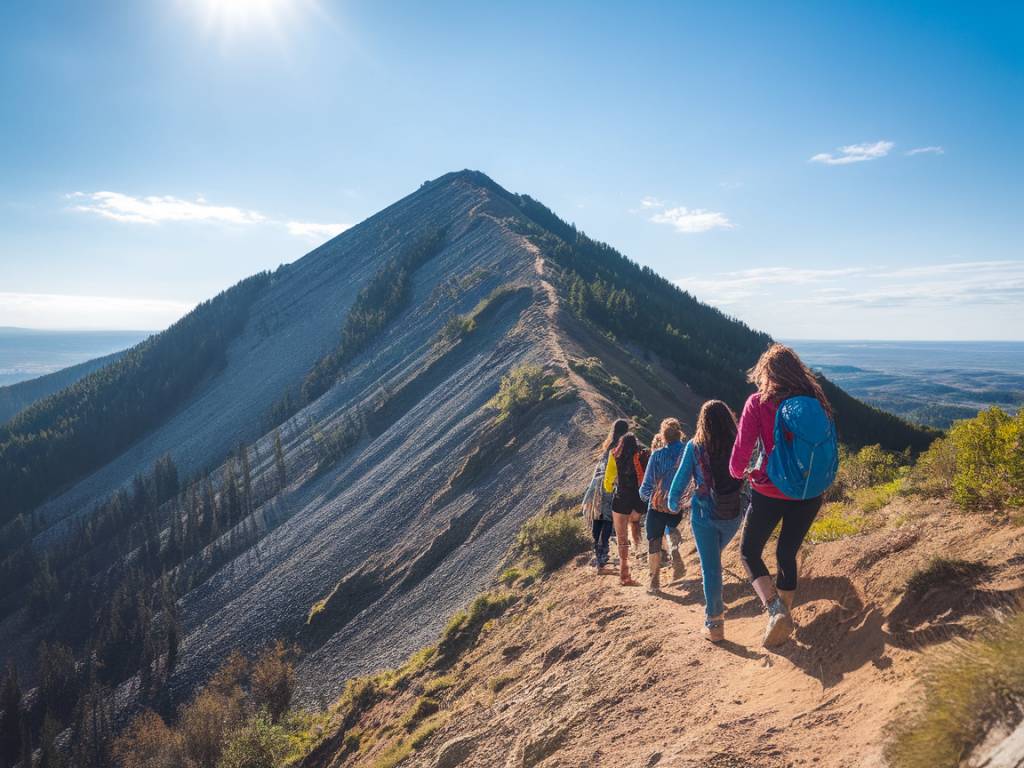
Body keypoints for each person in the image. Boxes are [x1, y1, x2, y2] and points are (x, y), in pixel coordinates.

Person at [730, 343, 837, 647]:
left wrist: (739, 473)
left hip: (770, 490)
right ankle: (784, 615)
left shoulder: (758, 402)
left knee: (750, 551)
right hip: (810, 492)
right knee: (786, 553)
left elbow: (741, 453)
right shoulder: (816, 400)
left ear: (766, 373)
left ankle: (776, 611)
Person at [668, 401, 744, 641]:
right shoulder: (739, 442)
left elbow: (681, 479)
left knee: (710, 568)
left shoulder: (695, 446)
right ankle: (717, 602)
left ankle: (714, 624)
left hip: (704, 515)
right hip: (733, 514)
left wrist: (672, 503)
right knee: (713, 561)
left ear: (703, 422)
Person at [639, 418, 687, 594]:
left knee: (654, 539)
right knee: (672, 526)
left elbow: (646, 485)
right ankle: (674, 548)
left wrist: (645, 498)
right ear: (679, 433)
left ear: (663, 436)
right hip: (678, 503)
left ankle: (654, 583)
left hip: (657, 503)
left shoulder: (657, 455)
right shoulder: (687, 451)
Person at [582, 418, 629, 574]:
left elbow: (598, 469)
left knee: (598, 518)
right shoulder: (622, 447)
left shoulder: (608, 446)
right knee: (608, 520)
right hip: (612, 486)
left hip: (598, 486)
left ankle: (599, 555)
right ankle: (603, 556)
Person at [603, 432, 647, 586]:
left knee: (621, 538)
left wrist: (609, 488)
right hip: (638, 502)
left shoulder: (614, 455)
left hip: (621, 500)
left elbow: (608, 478)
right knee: (634, 523)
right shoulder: (642, 455)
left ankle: (624, 572)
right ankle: (637, 540)